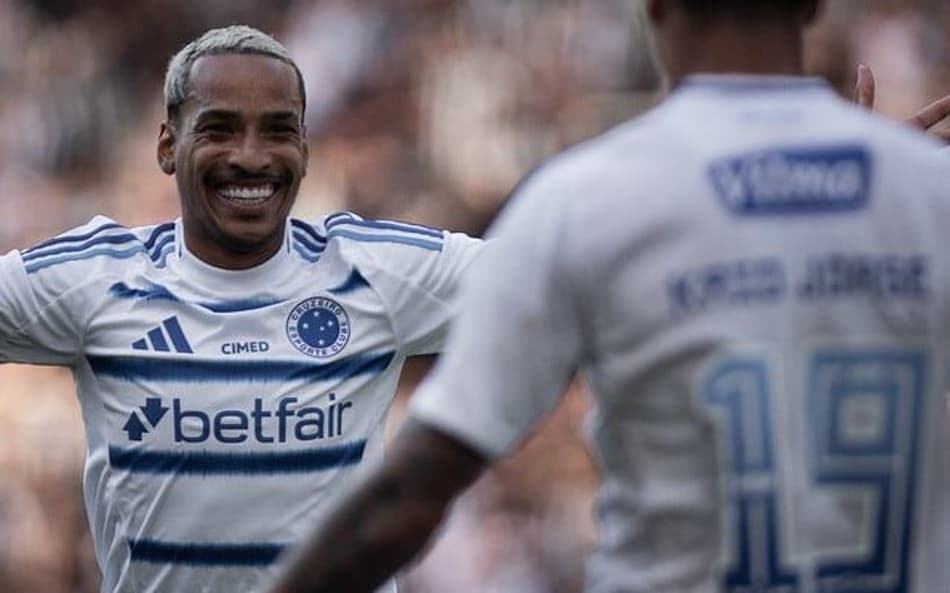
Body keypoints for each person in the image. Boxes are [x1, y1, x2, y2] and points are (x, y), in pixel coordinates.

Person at [270, 1, 950, 592]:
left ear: (654, 5)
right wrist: (879, 190)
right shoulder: (927, 193)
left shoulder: (583, 200)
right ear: (811, 6)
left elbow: (408, 497)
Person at [0, 25, 482, 593]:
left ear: (303, 149)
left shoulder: (378, 272)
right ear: (167, 146)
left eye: (278, 131)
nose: (251, 157)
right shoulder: (99, 280)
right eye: (219, 129)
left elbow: (551, 275)